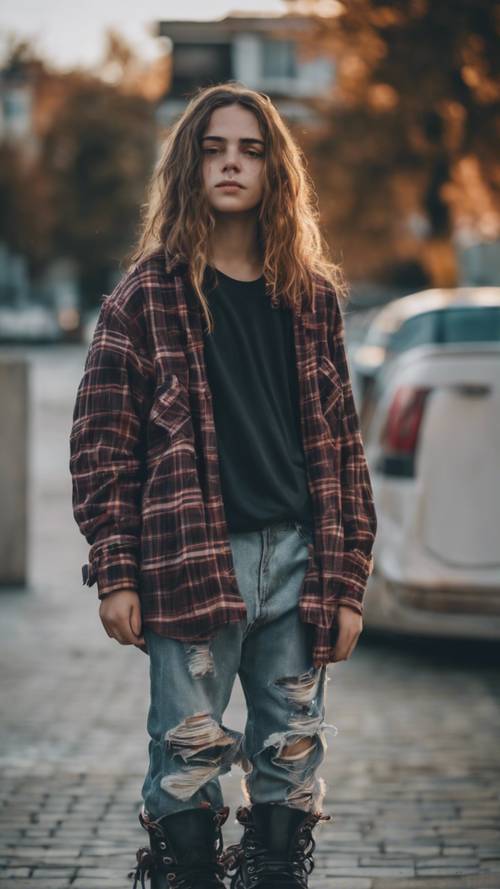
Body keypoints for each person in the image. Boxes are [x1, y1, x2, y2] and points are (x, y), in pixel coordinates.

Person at [69, 82, 377, 889]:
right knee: (186, 761)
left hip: (299, 566)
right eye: (215, 149)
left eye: (250, 149)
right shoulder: (144, 299)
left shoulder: (310, 300)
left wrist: (346, 585)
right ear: (188, 167)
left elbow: (345, 450)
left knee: (289, 769)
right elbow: (102, 445)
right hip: (188, 563)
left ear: (275, 169)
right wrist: (116, 569)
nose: (232, 164)